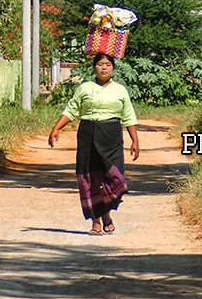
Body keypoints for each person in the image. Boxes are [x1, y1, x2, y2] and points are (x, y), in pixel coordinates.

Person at [48, 50, 140, 234]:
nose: (104, 68)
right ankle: (97, 222)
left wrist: (135, 141)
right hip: (88, 134)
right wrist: (56, 128)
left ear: (113, 68)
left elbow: (128, 115)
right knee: (91, 178)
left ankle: (105, 214)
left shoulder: (120, 90)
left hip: (112, 136)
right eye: (100, 64)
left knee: (114, 178)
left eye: (107, 65)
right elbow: (71, 109)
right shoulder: (84, 88)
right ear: (94, 67)